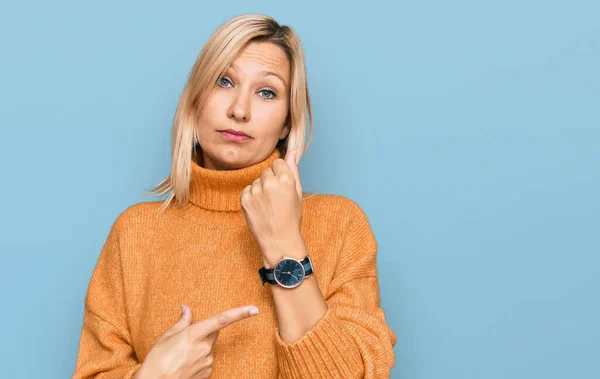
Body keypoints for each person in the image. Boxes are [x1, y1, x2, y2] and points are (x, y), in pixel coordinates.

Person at [71, 13, 397, 379]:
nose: (239, 110)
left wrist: (283, 244)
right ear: (195, 100)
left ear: (288, 121)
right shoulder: (134, 232)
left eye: (266, 92)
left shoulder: (340, 225)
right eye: (223, 82)